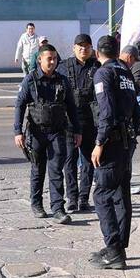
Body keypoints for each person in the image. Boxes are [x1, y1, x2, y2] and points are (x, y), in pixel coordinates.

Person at [13, 44, 80, 225]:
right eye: (49, 58)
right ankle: (36, 204)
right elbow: (20, 105)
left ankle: (58, 208)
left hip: (57, 132)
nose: (52, 62)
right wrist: (18, 131)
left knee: (56, 170)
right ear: (40, 59)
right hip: (36, 133)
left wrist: (77, 130)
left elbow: (72, 108)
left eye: (55, 59)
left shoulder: (62, 80)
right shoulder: (30, 80)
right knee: (38, 170)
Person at [89, 35, 138, 270]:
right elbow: (137, 111)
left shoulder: (103, 74)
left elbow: (106, 112)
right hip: (126, 142)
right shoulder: (126, 73)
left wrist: (99, 142)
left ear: (98, 54)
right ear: (117, 51)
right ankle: (119, 247)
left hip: (111, 143)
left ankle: (113, 249)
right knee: (121, 195)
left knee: (102, 196)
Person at [58, 34, 100, 213]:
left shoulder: (97, 67)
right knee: (70, 161)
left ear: (91, 49)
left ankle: (84, 198)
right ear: (74, 48)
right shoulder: (64, 67)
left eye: (87, 46)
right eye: (80, 46)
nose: (84, 49)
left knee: (88, 161)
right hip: (68, 121)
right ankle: (72, 198)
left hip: (89, 120)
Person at [119, 45, 140, 134]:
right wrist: (138, 85)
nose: (134, 63)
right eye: (134, 60)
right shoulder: (120, 68)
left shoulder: (115, 66)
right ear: (130, 57)